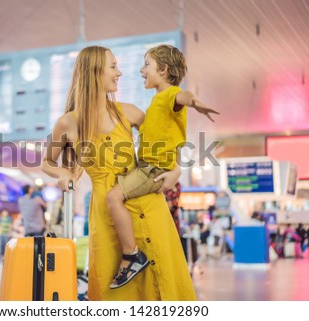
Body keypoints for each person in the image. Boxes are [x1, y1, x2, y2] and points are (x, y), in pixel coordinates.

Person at [42, 46, 196, 300]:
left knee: (164, 285)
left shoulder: (130, 112)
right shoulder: (68, 122)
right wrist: (62, 173)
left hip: (148, 205)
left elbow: (165, 140)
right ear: (94, 72)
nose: (120, 73)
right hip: (107, 213)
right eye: (113, 67)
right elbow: (47, 162)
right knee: (113, 289)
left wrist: (177, 168)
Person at [104, 44, 218, 288]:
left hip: (151, 168)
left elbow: (182, 97)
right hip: (147, 165)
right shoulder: (156, 102)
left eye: (147, 64)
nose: (141, 70)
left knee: (114, 198)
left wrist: (195, 102)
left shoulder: (169, 95)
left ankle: (131, 255)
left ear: (164, 69)